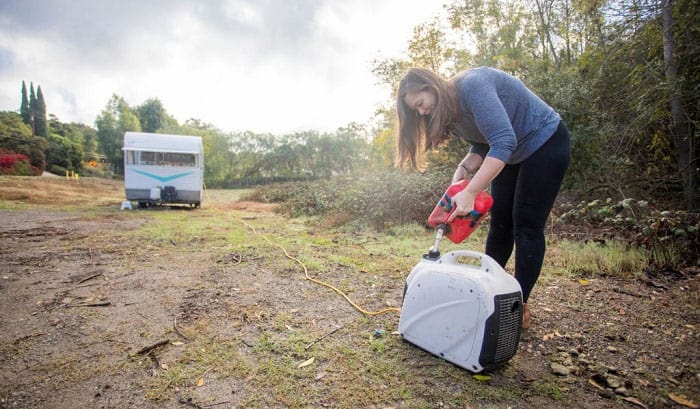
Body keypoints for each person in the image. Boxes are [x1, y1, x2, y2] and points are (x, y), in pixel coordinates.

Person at [396, 66, 571, 329]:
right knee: (500, 224)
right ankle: (491, 296)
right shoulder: (450, 112)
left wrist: (472, 191)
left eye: (420, 104)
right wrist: (463, 174)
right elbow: (482, 142)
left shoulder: (473, 86)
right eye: (416, 110)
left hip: (544, 141)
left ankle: (516, 308)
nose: (421, 112)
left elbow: (502, 141)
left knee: (525, 225)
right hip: (511, 150)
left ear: (431, 87)